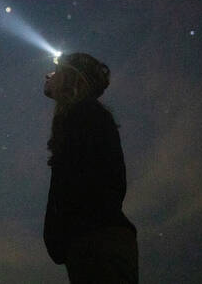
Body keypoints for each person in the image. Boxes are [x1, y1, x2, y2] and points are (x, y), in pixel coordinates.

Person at [42, 52, 138, 283]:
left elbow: (83, 185)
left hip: (96, 244)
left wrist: (64, 233)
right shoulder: (86, 117)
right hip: (96, 243)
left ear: (70, 78)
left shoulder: (84, 117)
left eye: (56, 71)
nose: (48, 75)